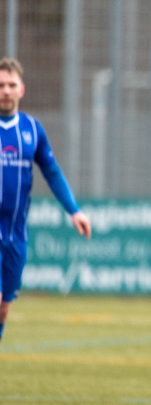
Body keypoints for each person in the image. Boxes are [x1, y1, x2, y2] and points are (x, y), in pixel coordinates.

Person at [0, 57, 91, 345]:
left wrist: (74, 211)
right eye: (0, 85)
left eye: (11, 85)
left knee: (3, 309)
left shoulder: (32, 129)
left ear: (21, 89)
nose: (5, 90)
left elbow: (51, 172)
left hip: (16, 235)